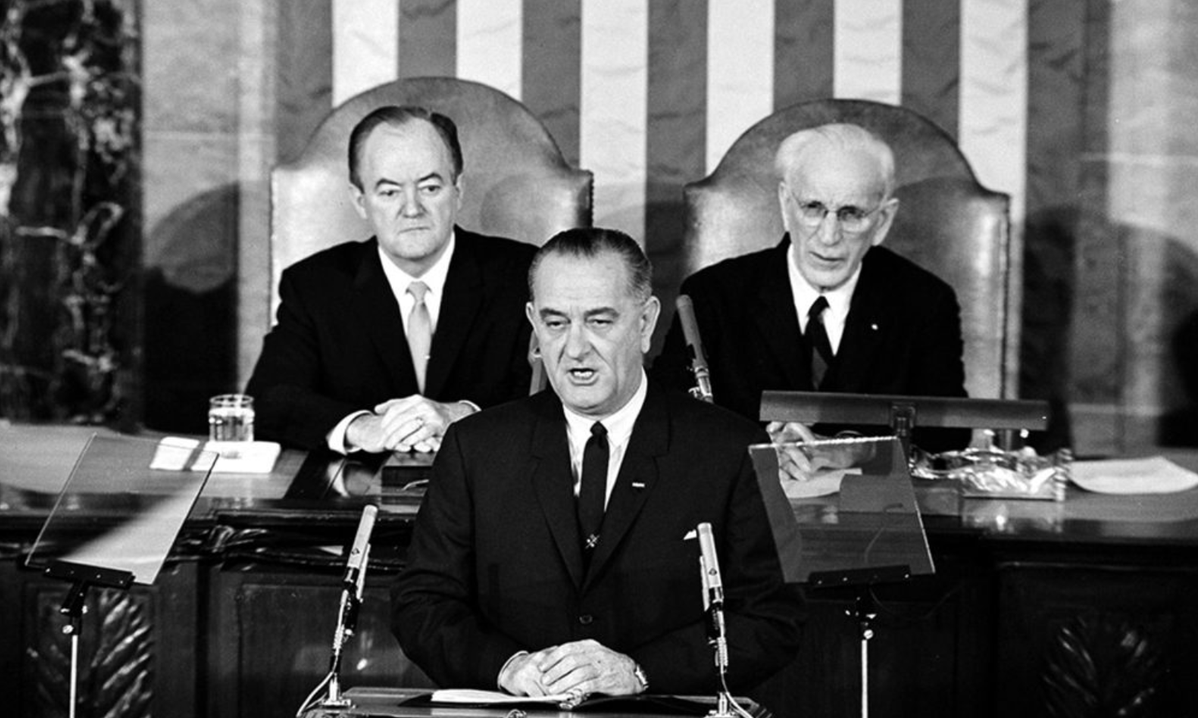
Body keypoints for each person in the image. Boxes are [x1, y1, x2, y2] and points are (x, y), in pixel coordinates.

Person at [391, 228, 801, 697]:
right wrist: (508, 668)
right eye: (555, 323)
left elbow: (773, 618)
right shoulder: (476, 447)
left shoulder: (733, 449)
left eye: (600, 322)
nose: (576, 348)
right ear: (533, 323)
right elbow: (421, 603)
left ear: (646, 323)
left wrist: (640, 672)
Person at [654, 123, 968, 459]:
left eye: (852, 214)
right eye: (813, 208)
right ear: (786, 203)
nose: (829, 236)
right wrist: (759, 446)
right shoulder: (712, 295)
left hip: (871, 504)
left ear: (883, 220)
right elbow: (666, 417)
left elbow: (949, 435)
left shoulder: (925, 302)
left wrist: (844, 452)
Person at [246, 106, 536, 453]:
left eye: (430, 187)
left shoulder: (524, 275)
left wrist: (459, 416)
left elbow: (560, 397)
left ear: (458, 190)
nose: (412, 208)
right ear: (360, 200)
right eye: (389, 192)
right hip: (354, 498)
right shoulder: (315, 286)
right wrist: (362, 426)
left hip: (494, 493)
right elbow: (270, 399)